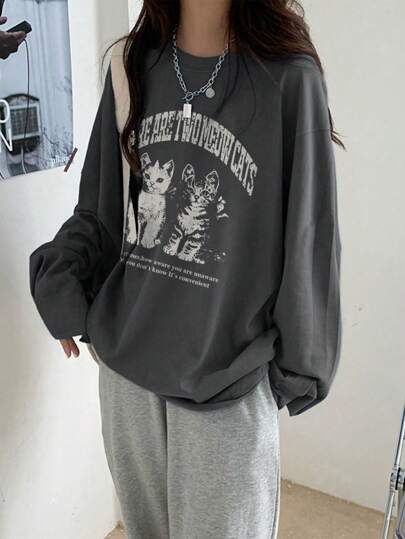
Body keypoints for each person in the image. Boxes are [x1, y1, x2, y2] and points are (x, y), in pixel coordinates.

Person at [29, 0, 343, 537]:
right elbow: (101, 211)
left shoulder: (291, 78)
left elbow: (309, 235)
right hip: (128, 377)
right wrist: (63, 283)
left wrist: (293, 371)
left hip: (227, 382)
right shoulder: (130, 65)